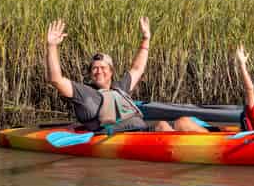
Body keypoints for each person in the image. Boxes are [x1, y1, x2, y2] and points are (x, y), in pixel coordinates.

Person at [45, 18, 207, 133]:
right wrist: (52, 46)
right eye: (94, 68)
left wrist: (146, 39)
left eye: (103, 67)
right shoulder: (84, 92)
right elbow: (56, 79)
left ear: (111, 72)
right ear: (90, 73)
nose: (99, 71)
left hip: (142, 131)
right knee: (163, 125)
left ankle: (222, 144)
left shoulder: (120, 88)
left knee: (184, 121)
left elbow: (137, 69)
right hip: (117, 137)